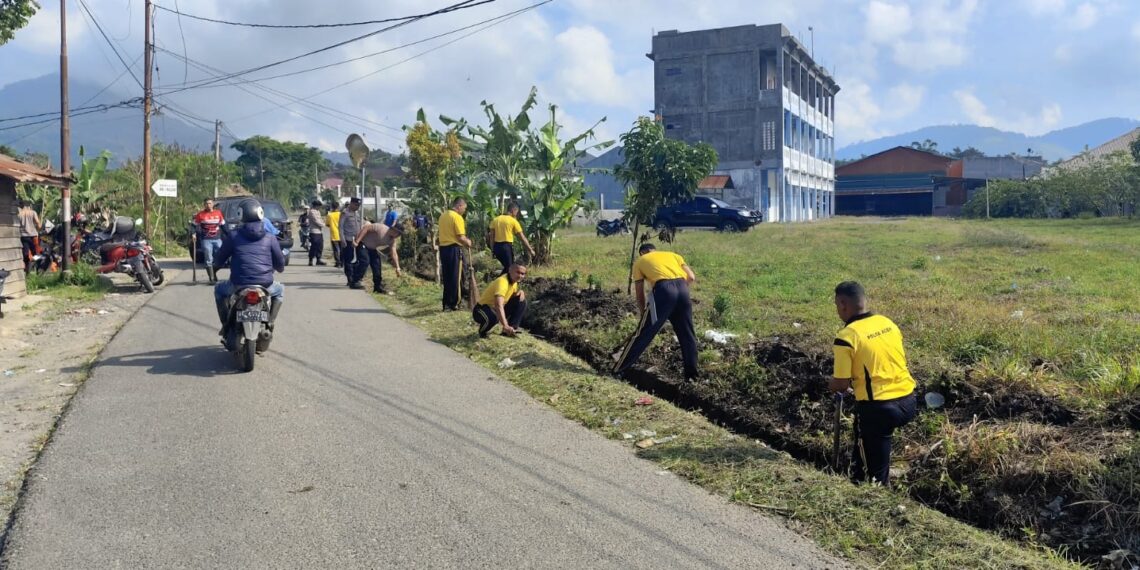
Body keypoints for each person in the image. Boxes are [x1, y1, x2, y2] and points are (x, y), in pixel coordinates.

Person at [830, 281, 917, 486]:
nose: (837, 311)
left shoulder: (847, 337)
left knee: (872, 475)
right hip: (909, 400)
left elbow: (841, 385)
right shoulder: (887, 323)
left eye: (836, 306)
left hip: (879, 408)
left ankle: (873, 494)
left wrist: (830, 384)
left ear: (843, 304)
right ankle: (869, 476)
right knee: (869, 448)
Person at [613, 243, 699, 381]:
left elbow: (639, 294)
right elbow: (691, 277)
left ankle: (619, 370)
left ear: (642, 253)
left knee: (644, 333)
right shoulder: (674, 255)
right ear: (654, 250)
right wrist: (678, 290)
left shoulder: (640, 262)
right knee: (687, 334)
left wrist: (643, 314)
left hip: (662, 292)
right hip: (683, 290)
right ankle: (692, 377)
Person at [212, 199, 285, 338]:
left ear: (240, 215)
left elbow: (220, 258)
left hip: (238, 284)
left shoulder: (233, 236)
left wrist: (216, 266)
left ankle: (225, 325)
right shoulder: (270, 237)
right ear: (261, 213)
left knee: (219, 290)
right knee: (280, 290)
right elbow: (280, 262)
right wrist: (279, 268)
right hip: (266, 284)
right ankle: (270, 321)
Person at [473, 263, 528, 338]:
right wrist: (505, 325)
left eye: (522, 274)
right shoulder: (502, 282)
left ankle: (510, 330)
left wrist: (520, 292)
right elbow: (498, 305)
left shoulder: (514, 282)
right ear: (510, 271)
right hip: (481, 310)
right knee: (494, 317)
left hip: (495, 310)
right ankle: (482, 333)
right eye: (517, 272)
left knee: (521, 301)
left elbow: (510, 297)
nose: (520, 276)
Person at [437, 197, 471, 311]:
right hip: (454, 249)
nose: (464, 211)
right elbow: (460, 237)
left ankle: (446, 303)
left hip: (443, 249)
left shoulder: (443, 215)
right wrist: (468, 242)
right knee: (457, 276)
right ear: (459, 206)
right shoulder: (457, 217)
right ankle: (454, 303)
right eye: (464, 208)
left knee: (447, 276)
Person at [350, 221, 403, 293]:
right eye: (398, 233)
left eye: (400, 234)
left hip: (372, 248)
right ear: (393, 230)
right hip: (362, 244)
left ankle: (377, 287)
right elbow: (366, 228)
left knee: (377, 265)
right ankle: (355, 281)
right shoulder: (381, 228)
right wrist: (357, 241)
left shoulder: (392, 241)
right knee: (365, 261)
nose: (398, 236)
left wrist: (397, 268)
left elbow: (394, 253)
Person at [486, 202, 535, 274]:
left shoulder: (495, 220)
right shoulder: (513, 221)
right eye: (516, 212)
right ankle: (499, 283)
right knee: (510, 269)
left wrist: (493, 250)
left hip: (497, 248)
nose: (516, 214)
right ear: (513, 210)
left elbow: (491, 237)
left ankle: (500, 281)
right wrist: (530, 250)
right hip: (506, 247)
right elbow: (522, 238)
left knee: (508, 268)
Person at [192, 198, 226, 284]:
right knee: (208, 258)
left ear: (213, 204)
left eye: (210, 203)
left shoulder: (218, 213)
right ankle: (211, 278)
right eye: (206, 204)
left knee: (221, 257)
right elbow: (194, 226)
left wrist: (230, 235)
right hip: (206, 239)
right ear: (204, 205)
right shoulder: (200, 215)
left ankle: (213, 271)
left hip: (217, 239)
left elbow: (223, 226)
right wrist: (193, 233)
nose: (208, 205)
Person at [338, 197, 364, 286]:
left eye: (359, 205)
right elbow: (340, 227)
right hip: (348, 239)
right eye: (356, 205)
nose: (357, 207)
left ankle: (355, 277)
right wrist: (342, 239)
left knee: (358, 259)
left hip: (358, 239)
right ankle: (350, 278)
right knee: (348, 260)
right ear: (351, 204)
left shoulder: (358, 213)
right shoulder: (345, 213)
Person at [17, 200, 42, 274]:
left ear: (22, 206)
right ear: (29, 206)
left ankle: (27, 270)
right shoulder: (33, 212)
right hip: (33, 236)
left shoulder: (19, 214)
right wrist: (39, 228)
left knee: (25, 254)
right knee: (36, 253)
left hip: (23, 237)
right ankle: (37, 269)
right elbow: (38, 224)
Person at [306, 200, 327, 266]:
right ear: (316, 205)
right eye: (319, 206)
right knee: (314, 246)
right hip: (314, 231)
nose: (320, 207)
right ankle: (311, 260)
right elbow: (316, 221)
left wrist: (323, 223)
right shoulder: (312, 212)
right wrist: (323, 225)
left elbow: (320, 219)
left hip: (319, 232)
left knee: (320, 246)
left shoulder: (318, 212)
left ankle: (318, 259)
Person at [326, 202, 343, 268]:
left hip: (334, 234)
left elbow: (327, 224)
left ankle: (338, 263)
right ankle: (342, 263)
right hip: (341, 234)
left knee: (336, 250)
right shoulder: (341, 214)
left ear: (332, 207)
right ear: (338, 207)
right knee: (342, 250)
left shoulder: (329, 215)